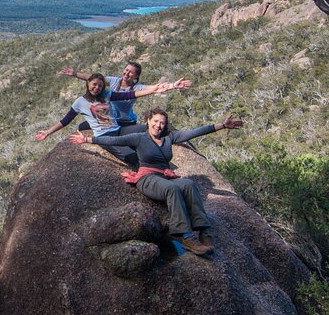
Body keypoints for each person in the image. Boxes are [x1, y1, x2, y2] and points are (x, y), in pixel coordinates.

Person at [69, 108, 244, 255]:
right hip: (147, 179)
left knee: (189, 185)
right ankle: (185, 236)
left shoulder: (169, 138)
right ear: (148, 121)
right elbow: (114, 140)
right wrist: (88, 139)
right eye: (155, 121)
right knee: (172, 190)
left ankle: (203, 230)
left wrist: (221, 126)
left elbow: (193, 132)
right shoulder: (139, 138)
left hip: (164, 176)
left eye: (162, 122)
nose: (158, 125)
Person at [34, 73, 188, 167]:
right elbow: (65, 120)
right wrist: (48, 132)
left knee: (145, 129)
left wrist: (162, 88)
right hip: (104, 137)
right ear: (88, 84)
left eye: (100, 85)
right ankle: (154, 170)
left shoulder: (107, 95)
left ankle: (163, 149)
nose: (97, 88)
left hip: (120, 130)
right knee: (131, 156)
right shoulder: (80, 102)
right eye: (94, 84)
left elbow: (130, 95)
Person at [61, 62, 192, 128]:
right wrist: (75, 74)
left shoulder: (137, 88)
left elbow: (156, 88)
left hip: (125, 122)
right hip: (110, 120)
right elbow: (94, 78)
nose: (126, 73)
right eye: (126, 70)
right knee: (82, 127)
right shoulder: (113, 81)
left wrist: (173, 85)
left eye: (131, 72)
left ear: (136, 76)